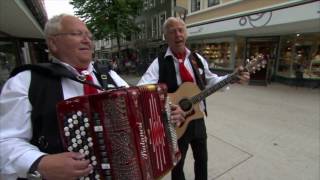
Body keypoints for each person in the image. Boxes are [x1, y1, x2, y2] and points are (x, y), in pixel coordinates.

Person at [0, 14, 185, 180]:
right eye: (77, 34)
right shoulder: (27, 81)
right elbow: (5, 142)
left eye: (89, 36)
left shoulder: (109, 75)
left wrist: (167, 113)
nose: (87, 40)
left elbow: (140, 112)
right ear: (53, 43)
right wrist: (40, 163)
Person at [137, 17, 250, 180]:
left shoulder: (197, 59)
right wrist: (168, 106)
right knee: (177, 165)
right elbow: (142, 91)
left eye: (181, 30)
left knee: (202, 160)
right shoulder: (158, 63)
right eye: (172, 31)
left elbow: (212, 81)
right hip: (176, 123)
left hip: (198, 119)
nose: (177, 35)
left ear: (186, 33)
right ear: (165, 37)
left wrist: (232, 77)